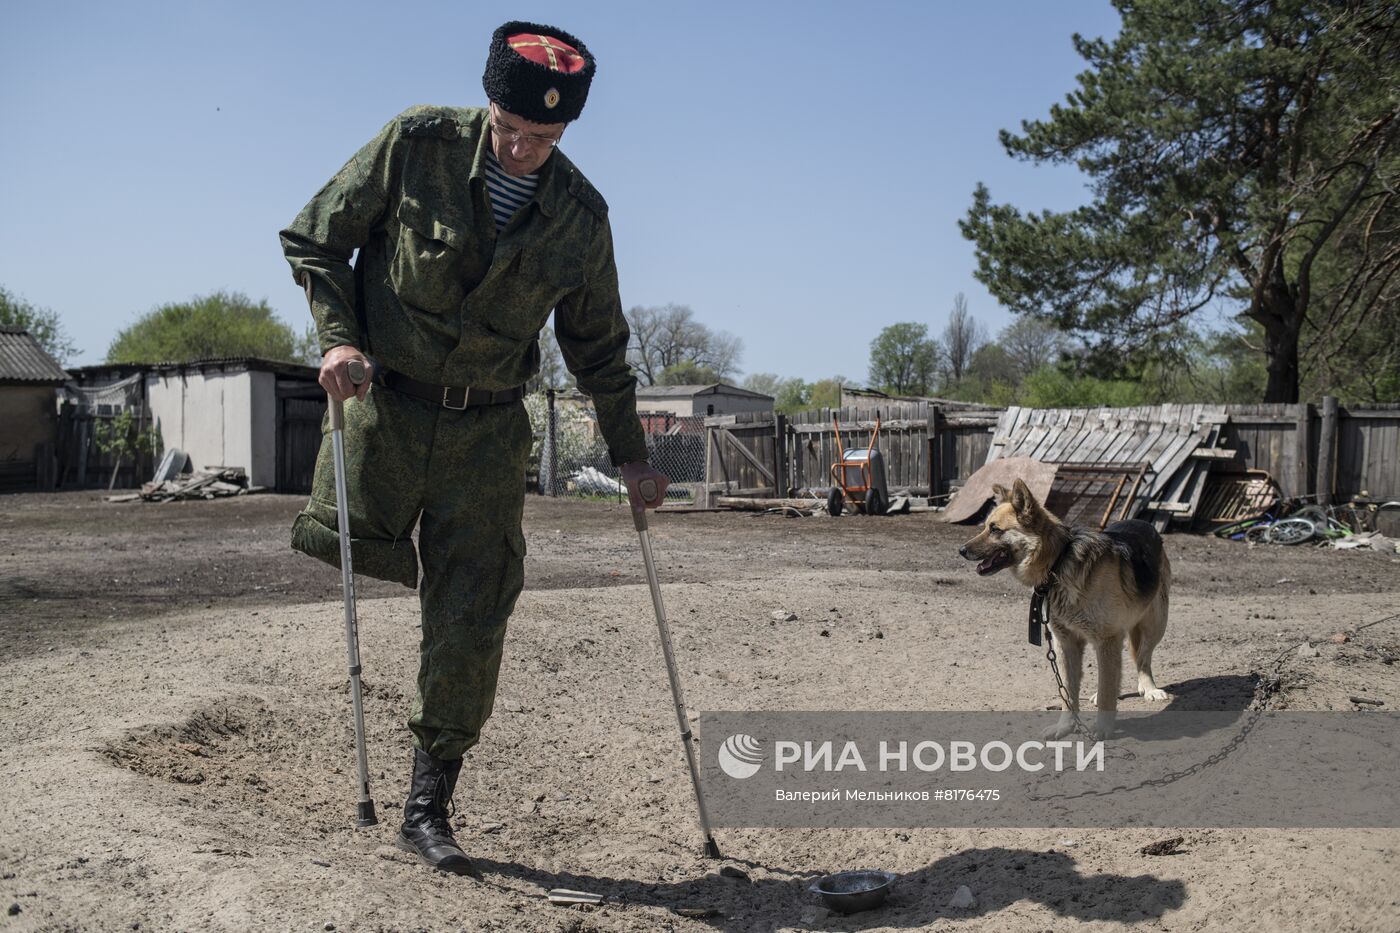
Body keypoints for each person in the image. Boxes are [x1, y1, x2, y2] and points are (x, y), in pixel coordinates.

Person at [280, 20, 669, 877]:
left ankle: (428, 805)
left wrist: (634, 456)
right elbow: (315, 236)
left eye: (545, 138)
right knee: (354, 551)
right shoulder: (416, 144)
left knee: (473, 611)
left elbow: (599, 347)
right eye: (510, 129)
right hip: (386, 413)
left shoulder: (580, 216)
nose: (522, 150)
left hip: (489, 436)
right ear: (490, 103)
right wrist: (338, 337)